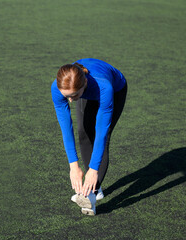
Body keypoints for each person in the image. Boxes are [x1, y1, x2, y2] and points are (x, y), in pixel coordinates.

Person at [51, 58, 127, 215]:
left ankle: (92, 192)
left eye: (73, 95)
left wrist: (93, 170)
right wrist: (74, 166)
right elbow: (66, 129)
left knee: (102, 139)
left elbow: (101, 133)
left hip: (116, 89)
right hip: (85, 91)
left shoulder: (104, 87)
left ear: (84, 83)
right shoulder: (58, 89)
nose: (70, 101)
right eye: (67, 96)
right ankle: (92, 189)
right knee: (83, 133)